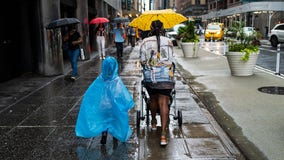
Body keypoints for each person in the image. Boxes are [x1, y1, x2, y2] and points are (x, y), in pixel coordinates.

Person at [75, 56, 135, 144]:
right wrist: (127, 104)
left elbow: (92, 92)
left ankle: (104, 134)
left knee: (104, 120)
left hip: (103, 106)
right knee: (114, 120)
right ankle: (115, 135)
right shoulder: (116, 80)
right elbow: (122, 94)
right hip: (114, 107)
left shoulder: (100, 79)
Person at [140, 20, 174, 146]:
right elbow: (171, 60)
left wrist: (151, 63)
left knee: (153, 99)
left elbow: (143, 60)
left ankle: (154, 121)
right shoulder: (168, 41)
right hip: (165, 76)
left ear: (150, 28)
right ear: (162, 28)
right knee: (164, 102)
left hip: (151, 77)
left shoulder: (145, 42)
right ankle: (163, 135)